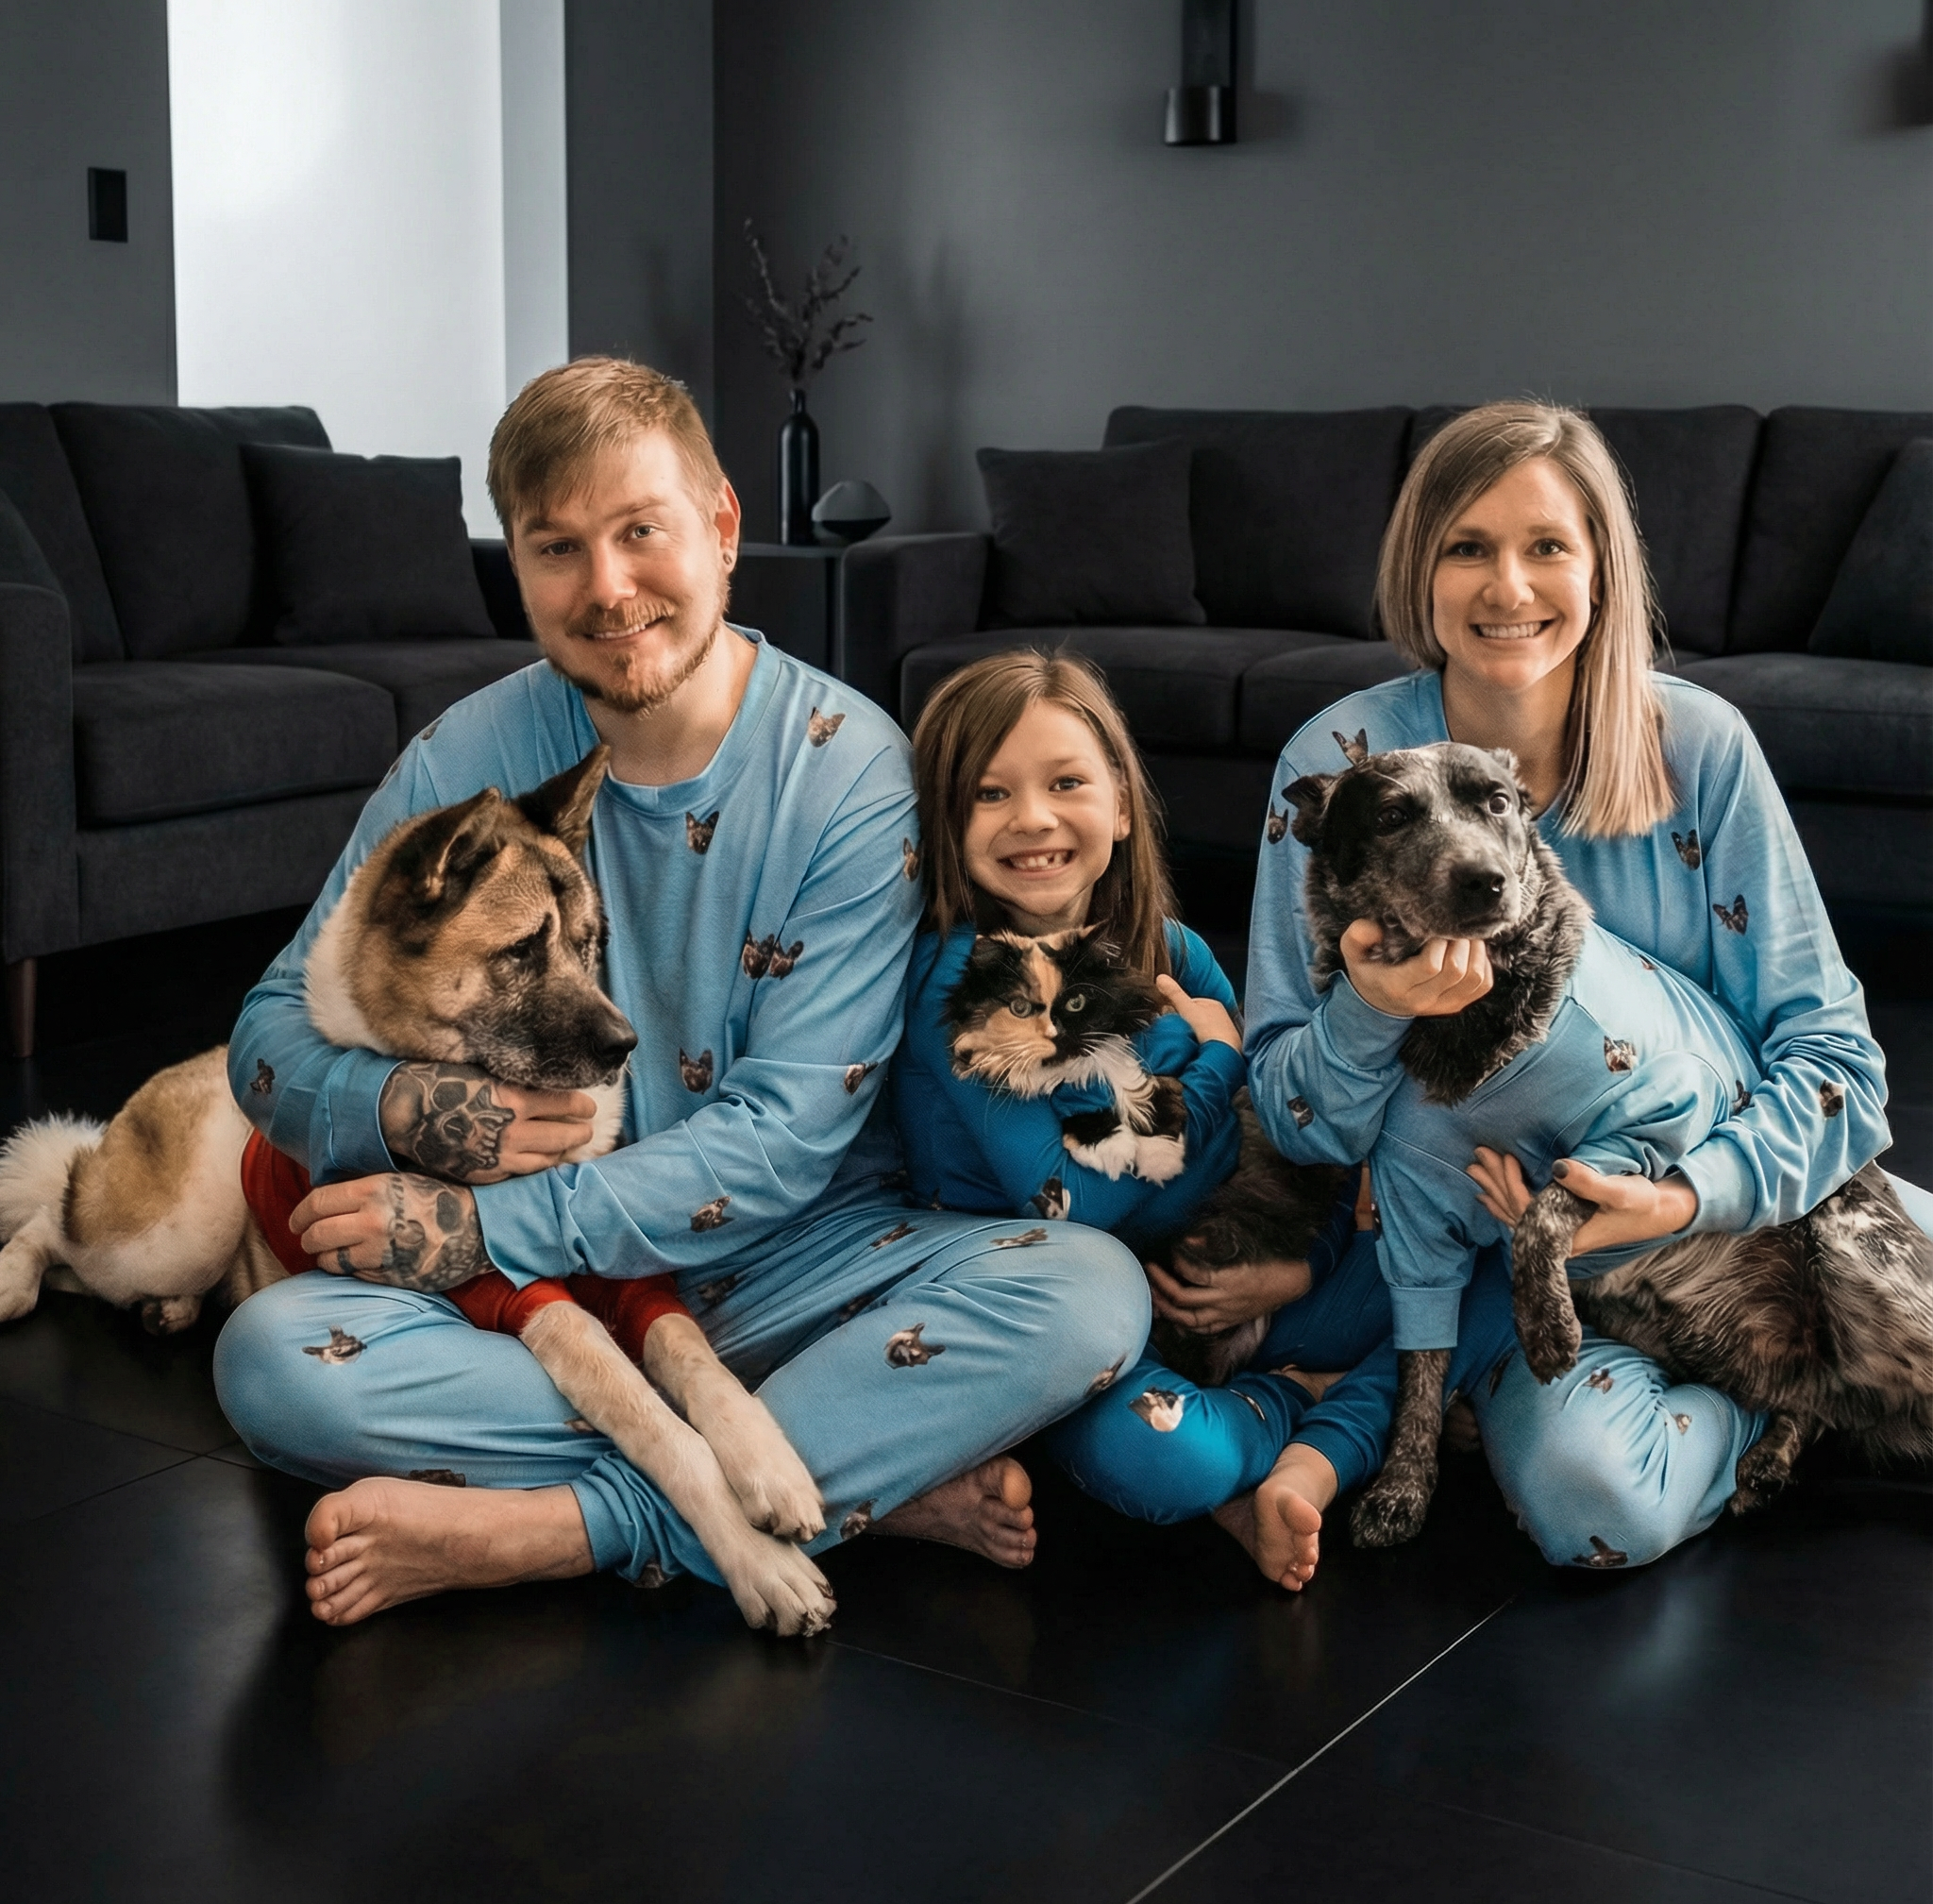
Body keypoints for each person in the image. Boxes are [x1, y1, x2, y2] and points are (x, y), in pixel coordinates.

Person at [211, 359, 1150, 1626]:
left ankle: (571, 1531)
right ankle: (854, 1469)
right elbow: (267, 1037)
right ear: (518, 566)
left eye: (640, 531)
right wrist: (413, 1118)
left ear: (719, 529)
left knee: (1088, 1292)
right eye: (557, 548)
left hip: (798, 1265)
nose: (607, 587)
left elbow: (783, 1141)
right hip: (553, 1318)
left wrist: (479, 1231)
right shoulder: (466, 757)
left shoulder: (849, 771)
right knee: (273, 1366)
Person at [1209, 398, 1931, 1583]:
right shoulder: (1334, 770)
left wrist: (1685, 1195)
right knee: (1591, 1505)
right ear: (1416, 569)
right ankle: (1766, 1400)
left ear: (1601, 565)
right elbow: (1293, 1118)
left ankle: (1782, 1369)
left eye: (1546, 544)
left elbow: (1837, 1066)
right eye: (1466, 546)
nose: (1509, 585)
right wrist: (1369, 1008)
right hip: (1527, 1275)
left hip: (1747, 1199)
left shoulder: (1698, 746)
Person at [892, 649, 1517, 1590]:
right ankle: (1310, 1412)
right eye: (988, 794)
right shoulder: (963, 978)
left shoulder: (1171, 947)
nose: (1033, 818)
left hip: (1239, 1273)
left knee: (1486, 1263)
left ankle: (1319, 1425)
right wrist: (1218, 1052)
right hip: (1088, 1326)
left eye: (1066, 782)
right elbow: (1079, 1202)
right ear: (945, 819)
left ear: (1118, 801)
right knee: (1160, 1458)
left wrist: (1295, 1265)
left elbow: (1282, 1130)